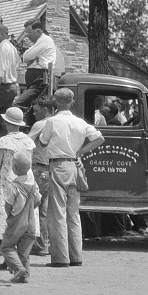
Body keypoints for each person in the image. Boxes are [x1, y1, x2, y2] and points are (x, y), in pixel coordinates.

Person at [34, 88, 105, 268]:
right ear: (72, 102)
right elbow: (99, 139)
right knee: (73, 214)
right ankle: (76, 256)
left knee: (57, 213)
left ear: (56, 103)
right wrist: (79, 152)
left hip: (57, 165)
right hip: (75, 165)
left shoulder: (52, 121)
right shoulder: (80, 122)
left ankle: (60, 258)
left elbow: (42, 143)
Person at [0, 106, 36, 262]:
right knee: (23, 217)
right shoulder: (28, 141)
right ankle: (20, 257)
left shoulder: (3, 142)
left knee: (7, 219)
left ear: (7, 123)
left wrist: (0, 182)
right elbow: (29, 163)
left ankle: (8, 257)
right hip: (26, 180)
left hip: (7, 180)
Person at [0, 149, 41, 284]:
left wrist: (10, 216)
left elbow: (8, 204)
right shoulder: (34, 185)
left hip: (18, 222)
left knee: (6, 246)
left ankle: (18, 269)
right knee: (24, 252)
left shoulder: (15, 186)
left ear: (15, 168)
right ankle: (24, 276)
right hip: (31, 223)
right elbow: (38, 201)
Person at [26, 95, 55, 256]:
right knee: (44, 210)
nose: (34, 114)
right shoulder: (57, 124)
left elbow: (27, 142)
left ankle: (31, 243)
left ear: (45, 109)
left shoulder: (40, 124)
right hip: (52, 169)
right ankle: (43, 244)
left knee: (31, 206)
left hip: (39, 169)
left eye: (36, 111)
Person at [16, 20, 57, 121]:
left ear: (38, 31)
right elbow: (27, 57)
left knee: (17, 104)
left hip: (39, 81)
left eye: (29, 33)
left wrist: (32, 58)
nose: (27, 36)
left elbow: (26, 56)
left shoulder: (45, 40)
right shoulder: (39, 42)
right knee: (31, 112)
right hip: (34, 81)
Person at [0, 23, 21, 138]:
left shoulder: (3, 46)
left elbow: (2, 67)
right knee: (5, 120)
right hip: (11, 87)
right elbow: (17, 64)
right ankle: (3, 141)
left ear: (2, 34)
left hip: (3, 87)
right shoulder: (12, 47)